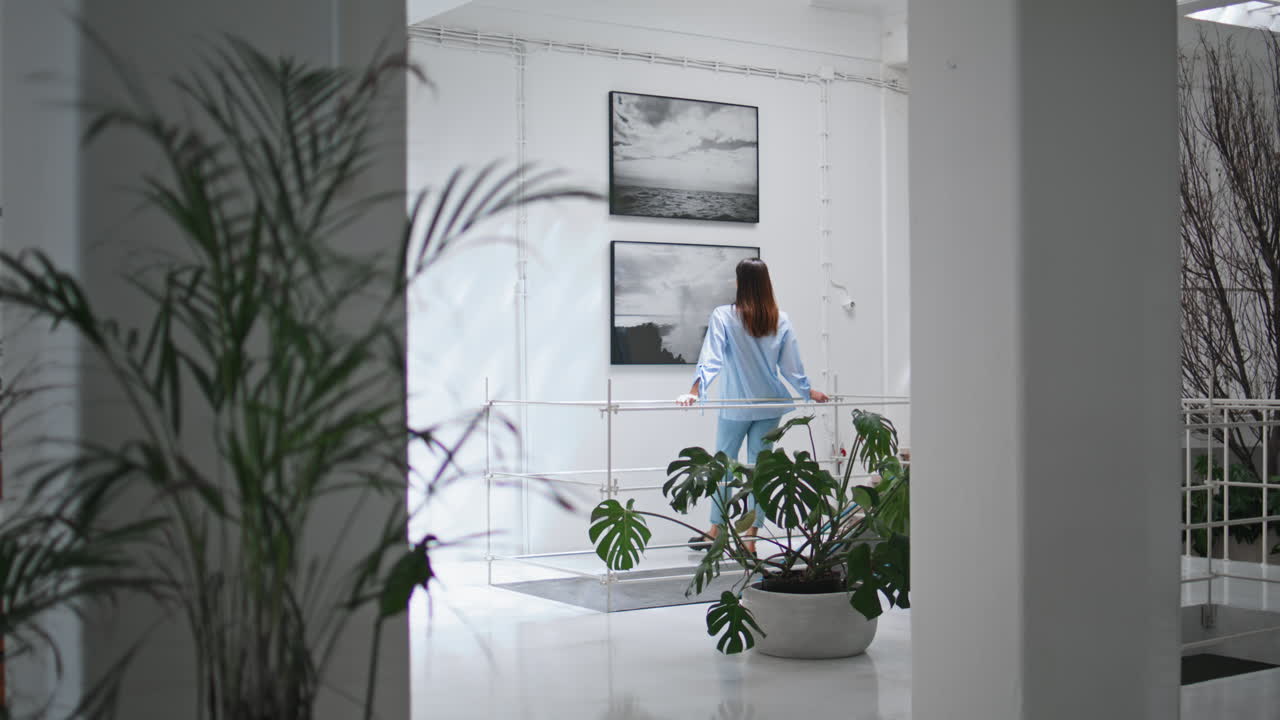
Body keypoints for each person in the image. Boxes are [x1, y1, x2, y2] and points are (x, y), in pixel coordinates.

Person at [676, 258, 829, 555]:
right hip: (770, 406)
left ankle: (716, 531)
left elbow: (712, 357)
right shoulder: (779, 318)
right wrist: (808, 391)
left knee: (723, 467)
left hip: (735, 406)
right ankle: (751, 539)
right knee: (761, 472)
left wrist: (695, 390)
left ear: (740, 283)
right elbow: (791, 367)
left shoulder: (724, 316)